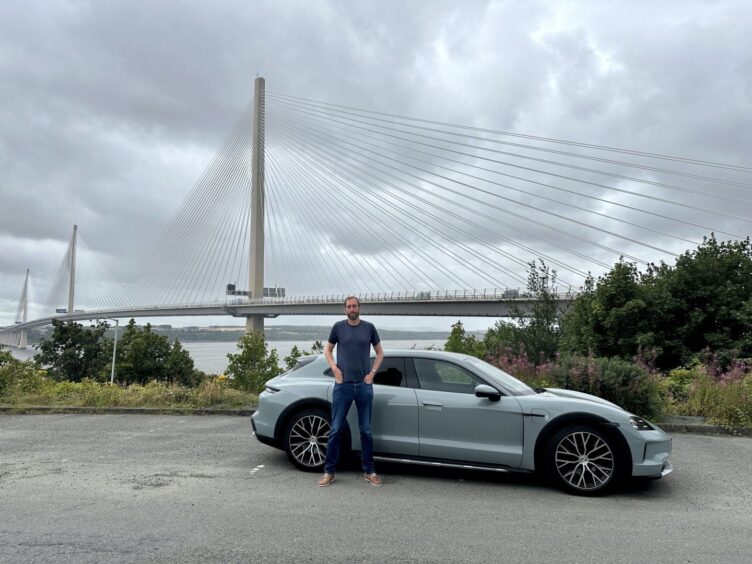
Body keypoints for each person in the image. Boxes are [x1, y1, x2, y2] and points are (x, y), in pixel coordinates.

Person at [318, 296, 384, 487]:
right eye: (349, 306)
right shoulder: (338, 327)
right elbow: (328, 351)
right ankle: (329, 472)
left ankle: (369, 471)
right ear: (345, 309)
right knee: (336, 429)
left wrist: (372, 373)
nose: (352, 308)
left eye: (354, 306)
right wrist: (335, 369)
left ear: (359, 308)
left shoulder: (369, 328)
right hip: (343, 385)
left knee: (366, 431)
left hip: (364, 386)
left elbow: (380, 353)